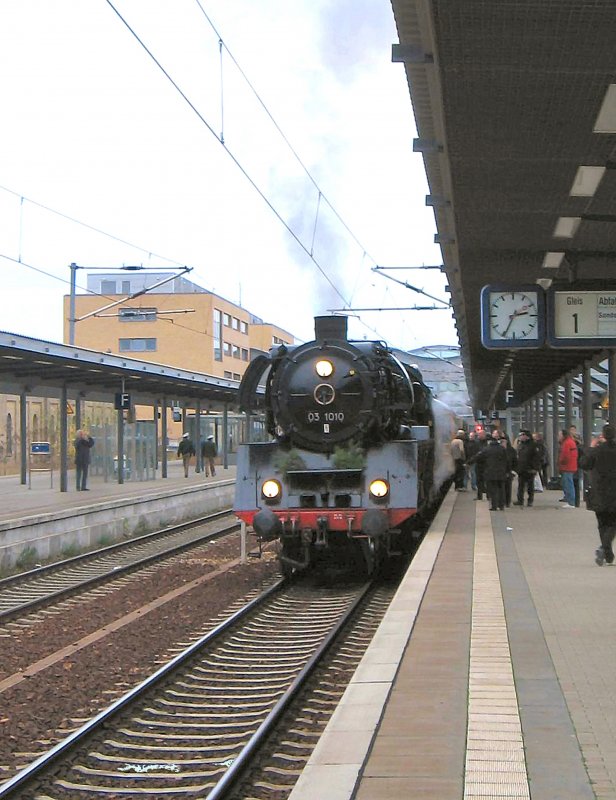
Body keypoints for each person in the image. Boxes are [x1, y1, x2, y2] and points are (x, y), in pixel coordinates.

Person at [579, 424, 616, 565]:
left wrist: (591, 447)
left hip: (599, 492)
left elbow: (583, 463)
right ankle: (606, 549)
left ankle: (606, 551)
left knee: (602, 523)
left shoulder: (597, 451)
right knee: (613, 523)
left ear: (603, 435)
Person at [474, 429, 508, 510]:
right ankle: (501, 505)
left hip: (490, 472)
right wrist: (508, 471)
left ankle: (494, 506)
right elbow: (506, 460)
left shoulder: (487, 449)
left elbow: (478, 457)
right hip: (501, 472)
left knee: (493, 490)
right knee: (501, 489)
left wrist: (467, 463)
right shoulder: (502, 449)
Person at [513, 430, 541, 507]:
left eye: (521, 435)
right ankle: (520, 500)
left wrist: (535, 468)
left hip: (530, 469)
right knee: (521, 485)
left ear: (526, 436)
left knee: (530, 486)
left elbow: (537, 458)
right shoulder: (521, 445)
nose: (520, 437)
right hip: (522, 469)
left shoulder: (533, 445)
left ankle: (530, 500)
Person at [557, 428, 578, 508]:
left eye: (559, 435)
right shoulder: (571, 442)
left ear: (563, 435)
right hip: (571, 466)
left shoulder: (566, 443)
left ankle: (571, 502)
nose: (558, 436)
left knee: (568, 484)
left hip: (567, 467)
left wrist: (560, 462)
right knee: (569, 483)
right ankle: (570, 501)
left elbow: (565, 456)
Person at [500, 431, 517, 507]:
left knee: (508, 487)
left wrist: (513, 470)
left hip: (508, 471)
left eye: (504, 441)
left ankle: (507, 501)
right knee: (501, 487)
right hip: (499, 471)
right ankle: (502, 501)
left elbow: (515, 461)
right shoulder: (498, 450)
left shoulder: (511, 450)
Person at [569, 425, 583, 507]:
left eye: (573, 430)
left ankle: (575, 501)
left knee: (575, 482)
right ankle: (573, 500)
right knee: (573, 482)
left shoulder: (578, 443)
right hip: (573, 464)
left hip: (576, 464)